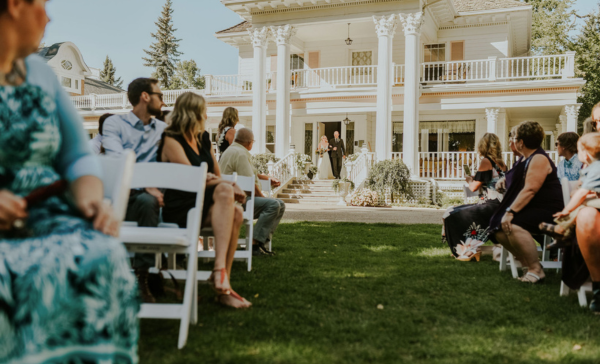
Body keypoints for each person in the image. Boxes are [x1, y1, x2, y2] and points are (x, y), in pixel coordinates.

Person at [0, 1, 138, 362]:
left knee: (103, 254)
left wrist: (94, 201)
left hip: (46, 213)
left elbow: (77, 157)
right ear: (15, 6)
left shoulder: (41, 74)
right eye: (42, 5)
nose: (48, 17)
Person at [158, 92, 251, 309]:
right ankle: (221, 278)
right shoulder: (171, 139)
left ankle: (221, 280)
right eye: (204, 111)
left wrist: (218, 181)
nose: (207, 115)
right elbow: (192, 179)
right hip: (183, 207)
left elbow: (214, 176)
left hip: (206, 204)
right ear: (193, 113)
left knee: (235, 211)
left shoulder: (203, 138)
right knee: (231, 202)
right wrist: (225, 183)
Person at [102, 77, 167, 302]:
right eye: (160, 95)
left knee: (164, 199)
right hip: (126, 197)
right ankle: (143, 278)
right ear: (145, 96)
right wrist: (147, 186)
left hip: (159, 195)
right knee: (147, 201)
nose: (163, 101)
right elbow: (117, 161)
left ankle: (161, 269)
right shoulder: (114, 124)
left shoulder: (163, 129)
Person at [489, 121, 564, 284]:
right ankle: (526, 265)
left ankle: (536, 269)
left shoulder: (538, 158)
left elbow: (530, 189)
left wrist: (510, 212)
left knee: (513, 223)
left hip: (550, 211)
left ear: (521, 142)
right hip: (533, 207)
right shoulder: (524, 159)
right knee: (497, 226)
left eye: (515, 138)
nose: (513, 141)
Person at [219, 128, 285, 256]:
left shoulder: (233, 150)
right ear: (249, 142)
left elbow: (251, 175)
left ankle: (262, 242)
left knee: (280, 204)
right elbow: (250, 185)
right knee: (274, 205)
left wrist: (267, 178)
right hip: (237, 201)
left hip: (232, 198)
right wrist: (263, 197)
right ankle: (254, 245)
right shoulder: (240, 154)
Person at [442, 133, 507, 261]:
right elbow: (488, 181)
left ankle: (467, 249)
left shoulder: (486, 161)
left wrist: (468, 180)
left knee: (450, 214)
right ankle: (467, 248)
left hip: (489, 206)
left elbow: (473, 188)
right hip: (500, 205)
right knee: (453, 211)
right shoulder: (501, 163)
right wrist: (475, 178)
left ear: (483, 146)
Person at [540, 133, 600, 239]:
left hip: (578, 199)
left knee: (582, 203)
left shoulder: (592, 167)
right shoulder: (562, 164)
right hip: (567, 198)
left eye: (557, 143)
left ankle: (562, 229)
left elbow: (582, 191)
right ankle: (565, 235)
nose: (555, 147)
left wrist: (566, 210)